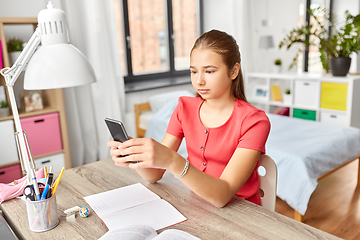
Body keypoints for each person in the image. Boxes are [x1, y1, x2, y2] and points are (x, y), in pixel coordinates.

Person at [108, 29, 270, 207]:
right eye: (193, 72)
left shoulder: (254, 122)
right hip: (196, 206)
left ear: (233, 71)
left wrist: (173, 160)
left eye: (209, 71)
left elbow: (221, 196)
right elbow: (154, 175)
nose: (199, 81)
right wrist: (134, 155)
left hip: (244, 215)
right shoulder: (184, 108)